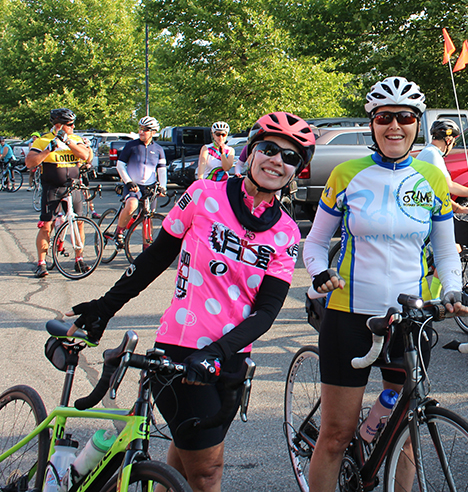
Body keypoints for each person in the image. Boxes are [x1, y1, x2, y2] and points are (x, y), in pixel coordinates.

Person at [66, 111, 315, 492]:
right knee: (208, 472)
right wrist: (103, 307)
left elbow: (267, 312)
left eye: (291, 157)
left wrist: (219, 352)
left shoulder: (285, 231)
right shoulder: (204, 195)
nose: (277, 161)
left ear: (298, 169)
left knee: (183, 463)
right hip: (180, 349)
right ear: (250, 152)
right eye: (269, 149)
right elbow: (153, 259)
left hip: (229, 358)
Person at [303, 76, 468, 492]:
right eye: (384, 117)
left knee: (406, 432)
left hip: (410, 321)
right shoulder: (346, 174)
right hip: (348, 317)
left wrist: (452, 288)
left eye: (405, 117)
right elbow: (316, 243)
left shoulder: (430, 179)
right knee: (336, 436)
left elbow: (447, 252)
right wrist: (319, 273)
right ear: (372, 123)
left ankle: (375, 437)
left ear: (417, 123)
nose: (394, 125)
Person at [26, 108, 93, 278]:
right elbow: (29, 162)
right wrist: (48, 149)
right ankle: (41, 262)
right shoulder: (43, 140)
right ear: (59, 126)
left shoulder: (75, 139)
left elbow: (85, 156)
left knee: (78, 223)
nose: (73, 127)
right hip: (53, 188)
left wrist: (68, 142)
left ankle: (79, 259)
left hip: (73, 187)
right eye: (70, 125)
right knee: (46, 225)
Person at [113, 116, 167, 247]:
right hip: (133, 185)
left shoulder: (159, 149)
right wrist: (128, 181)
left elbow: (162, 170)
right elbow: (120, 165)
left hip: (150, 187)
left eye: (146, 129)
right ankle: (119, 232)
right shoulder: (131, 146)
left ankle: (146, 248)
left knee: (148, 217)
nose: (141, 132)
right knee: (132, 205)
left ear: (153, 132)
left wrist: (163, 187)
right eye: (140, 128)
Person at [416, 119, 468, 212]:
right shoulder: (433, 155)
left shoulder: (429, 152)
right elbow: (450, 186)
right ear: (449, 140)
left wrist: (459, 208)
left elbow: (439, 192)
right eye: (453, 144)